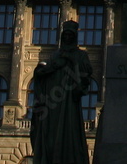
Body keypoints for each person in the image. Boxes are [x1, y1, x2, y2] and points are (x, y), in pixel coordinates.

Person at [31, 21, 93, 164]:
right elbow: (45, 73)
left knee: (69, 131)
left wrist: (71, 61)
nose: (67, 38)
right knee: (52, 134)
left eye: (71, 35)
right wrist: (45, 70)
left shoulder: (81, 55)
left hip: (69, 101)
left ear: (75, 37)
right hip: (54, 103)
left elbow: (87, 74)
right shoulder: (55, 55)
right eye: (65, 35)